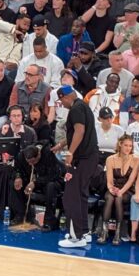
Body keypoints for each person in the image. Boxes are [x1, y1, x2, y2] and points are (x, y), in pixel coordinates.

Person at [55, 85, 99, 248]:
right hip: (91, 158)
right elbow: (76, 132)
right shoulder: (84, 106)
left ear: (66, 97)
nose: (61, 103)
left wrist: (70, 152)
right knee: (81, 195)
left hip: (82, 158)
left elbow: (79, 131)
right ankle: (84, 232)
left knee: (70, 197)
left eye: (60, 100)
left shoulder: (75, 109)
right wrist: (61, 144)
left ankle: (76, 237)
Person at [9, 142, 65, 231]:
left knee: (51, 187)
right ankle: (20, 214)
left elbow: (53, 175)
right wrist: (18, 177)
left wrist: (35, 182)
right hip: (32, 181)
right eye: (29, 162)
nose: (31, 164)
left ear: (39, 154)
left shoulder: (48, 154)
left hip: (50, 181)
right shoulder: (21, 155)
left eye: (34, 161)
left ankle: (49, 222)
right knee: (14, 183)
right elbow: (17, 169)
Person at [97, 134, 139, 245]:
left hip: (127, 190)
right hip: (113, 188)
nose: (128, 148)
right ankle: (104, 231)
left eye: (130, 146)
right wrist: (111, 189)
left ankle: (117, 233)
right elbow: (109, 180)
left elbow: (131, 181)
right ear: (120, 144)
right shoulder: (110, 159)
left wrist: (121, 191)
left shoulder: (136, 160)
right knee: (109, 198)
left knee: (118, 199)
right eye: (126, 145)